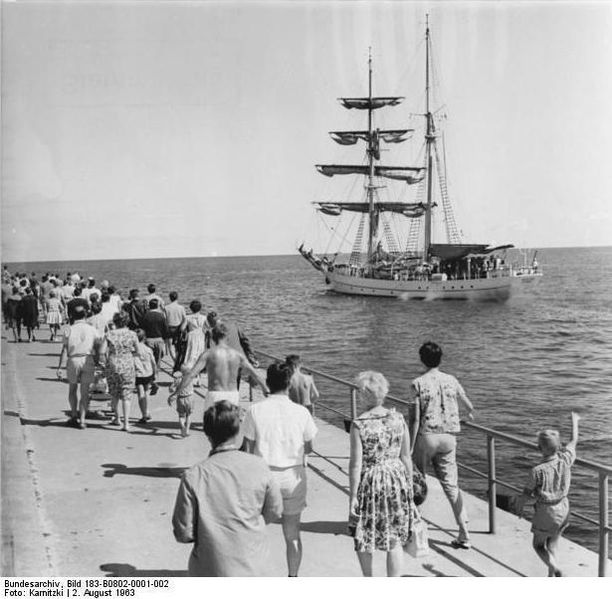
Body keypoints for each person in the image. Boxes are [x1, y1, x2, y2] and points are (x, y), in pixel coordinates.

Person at [173, 401, 283, 576]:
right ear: (237, 432)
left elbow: (183, 532)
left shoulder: (193, 476)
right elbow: (275, 511)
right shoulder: (259, 466)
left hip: (212, 569)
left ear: (207, 435)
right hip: (255, 567)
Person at [242, 362, 317, 577]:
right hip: (293, 476)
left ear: (267, 383)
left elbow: (247, 448)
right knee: (292, 534)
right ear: (289, 384)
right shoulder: (302, 412)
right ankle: (292, 577)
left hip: (264, 475)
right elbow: (310, 446)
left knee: (255, 532)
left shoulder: (255, 410)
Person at [349, 371, 414, 577]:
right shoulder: (398, 418)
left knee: (364, 532)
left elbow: (356, 464)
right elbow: (406, 457)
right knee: (394, 537)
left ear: (362, 395)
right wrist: (409, 486)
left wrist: (352, 495)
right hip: (396, 478)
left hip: (372, 480)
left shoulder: (359, 424)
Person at [410, 341, 474, 549]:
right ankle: (464, 533)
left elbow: (415, 419)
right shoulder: (451, 380)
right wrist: (469, 414)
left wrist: (410, 446)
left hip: (427, 436)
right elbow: (468, 405)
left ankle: (414, 529)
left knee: (417, 482)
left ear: (422, 359)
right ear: (440, 359)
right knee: (451, 486)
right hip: (448, 437)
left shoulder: (417, 383)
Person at [516, 412, 581, 577]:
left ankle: (557, 570)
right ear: (559, 447)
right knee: (553, 543)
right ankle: (551, 575)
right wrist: (574, 421)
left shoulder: (536, 471)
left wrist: (519, 507)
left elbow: (526, 494)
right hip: (564, 508)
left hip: (546, 511)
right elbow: (574, 441)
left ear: (539, 448)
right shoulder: (565, 460)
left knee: (538, 545)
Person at [170, 323, 268, 412]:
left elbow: (191, 375)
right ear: (227, 336)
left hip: (214, 394)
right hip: (232, 395)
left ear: (213, 337)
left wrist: (176, 393)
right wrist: (264, 388)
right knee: (229, 427)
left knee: (213, 428)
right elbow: (255, 374)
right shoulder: (237, 355)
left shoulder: (208, 354)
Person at [56, 305, 102, 428]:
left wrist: (60, 367)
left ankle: (74, 415)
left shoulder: (68, 329)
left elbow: (64, 350)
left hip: (73, 359)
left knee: (72, 389)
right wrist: (98, 361)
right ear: (85, 315)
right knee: (85, 391)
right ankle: (82, 419)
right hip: (87, 359)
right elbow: (98, 346)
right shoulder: (91, 329)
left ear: (72, 316)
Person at [102, 311, 139, 432]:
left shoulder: (109, 334)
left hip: (113, 364)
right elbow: (138, 351)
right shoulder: (132, 334)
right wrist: (128, 352)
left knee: (114, 393)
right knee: (126, 394)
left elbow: (102, 351)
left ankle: (117, 418)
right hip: (127, 364)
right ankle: (126, 423)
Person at [205, 311, 258, 389]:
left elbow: (210, 349)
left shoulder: (211, 332)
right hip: (237, 359)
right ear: (220, 318)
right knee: (235, 384)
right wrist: (251, 356)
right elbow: (245, 341)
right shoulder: (234, 325)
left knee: (222, 386)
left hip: (222, 362)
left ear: (210, 323)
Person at [178, 300, 207, 385]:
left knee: (190, 354)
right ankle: (199, 378)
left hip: (192, 337)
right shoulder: (204, 317)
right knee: (200, 356)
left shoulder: (188, 317)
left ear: (191, 308)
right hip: (201, 336)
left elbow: (182, 328)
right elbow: (207, 328)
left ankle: (189, 376)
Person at [134, 329, 157, 423]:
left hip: (138, 373)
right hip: (148, 373)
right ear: (144, 338)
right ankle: (147, 411)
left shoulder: (133, 349)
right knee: (146, 391)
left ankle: (143, 414)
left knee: (140, 393)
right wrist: (155, 375)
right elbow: (153, 363)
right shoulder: (148, 349)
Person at [168, 365, 195, 437]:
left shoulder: (178, 380)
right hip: (189, 398)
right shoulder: (190, 378)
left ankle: (182, 427)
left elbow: (171, 389)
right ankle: (187, 430)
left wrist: (173, 391)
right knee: (189, 415)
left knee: (181, 416)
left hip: (180, 399)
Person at [164, 291, 186, 360]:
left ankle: (174, 361)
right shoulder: (181, 307)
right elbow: (185, 319)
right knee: (178, 347)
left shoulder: (166, 307)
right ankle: (177, 361)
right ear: (177, 298)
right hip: (178, 328)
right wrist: (183, 327)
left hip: (169, 328)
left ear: (170, 298)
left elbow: (164, 320)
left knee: (170, 347)